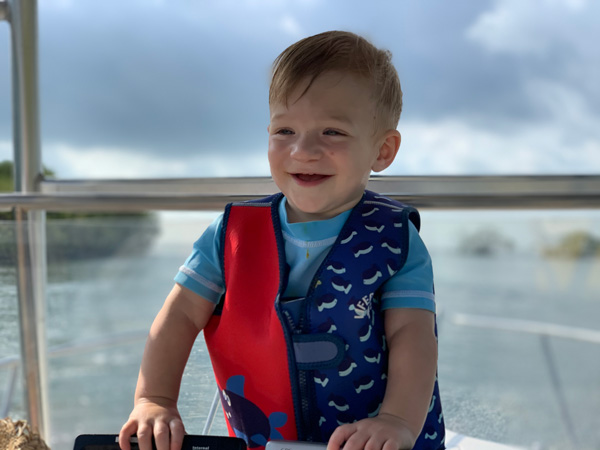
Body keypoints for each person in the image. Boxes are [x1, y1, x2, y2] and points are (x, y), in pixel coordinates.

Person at [120, 30, 445, 450]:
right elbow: (180, 315)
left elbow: (413, 336)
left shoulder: (396, 240)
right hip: (265, 440)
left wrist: (397, 420)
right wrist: (153, 400)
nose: (303, 150)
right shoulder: (230, 235)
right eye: (285, 130)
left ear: (382, 150)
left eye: (332, 132)